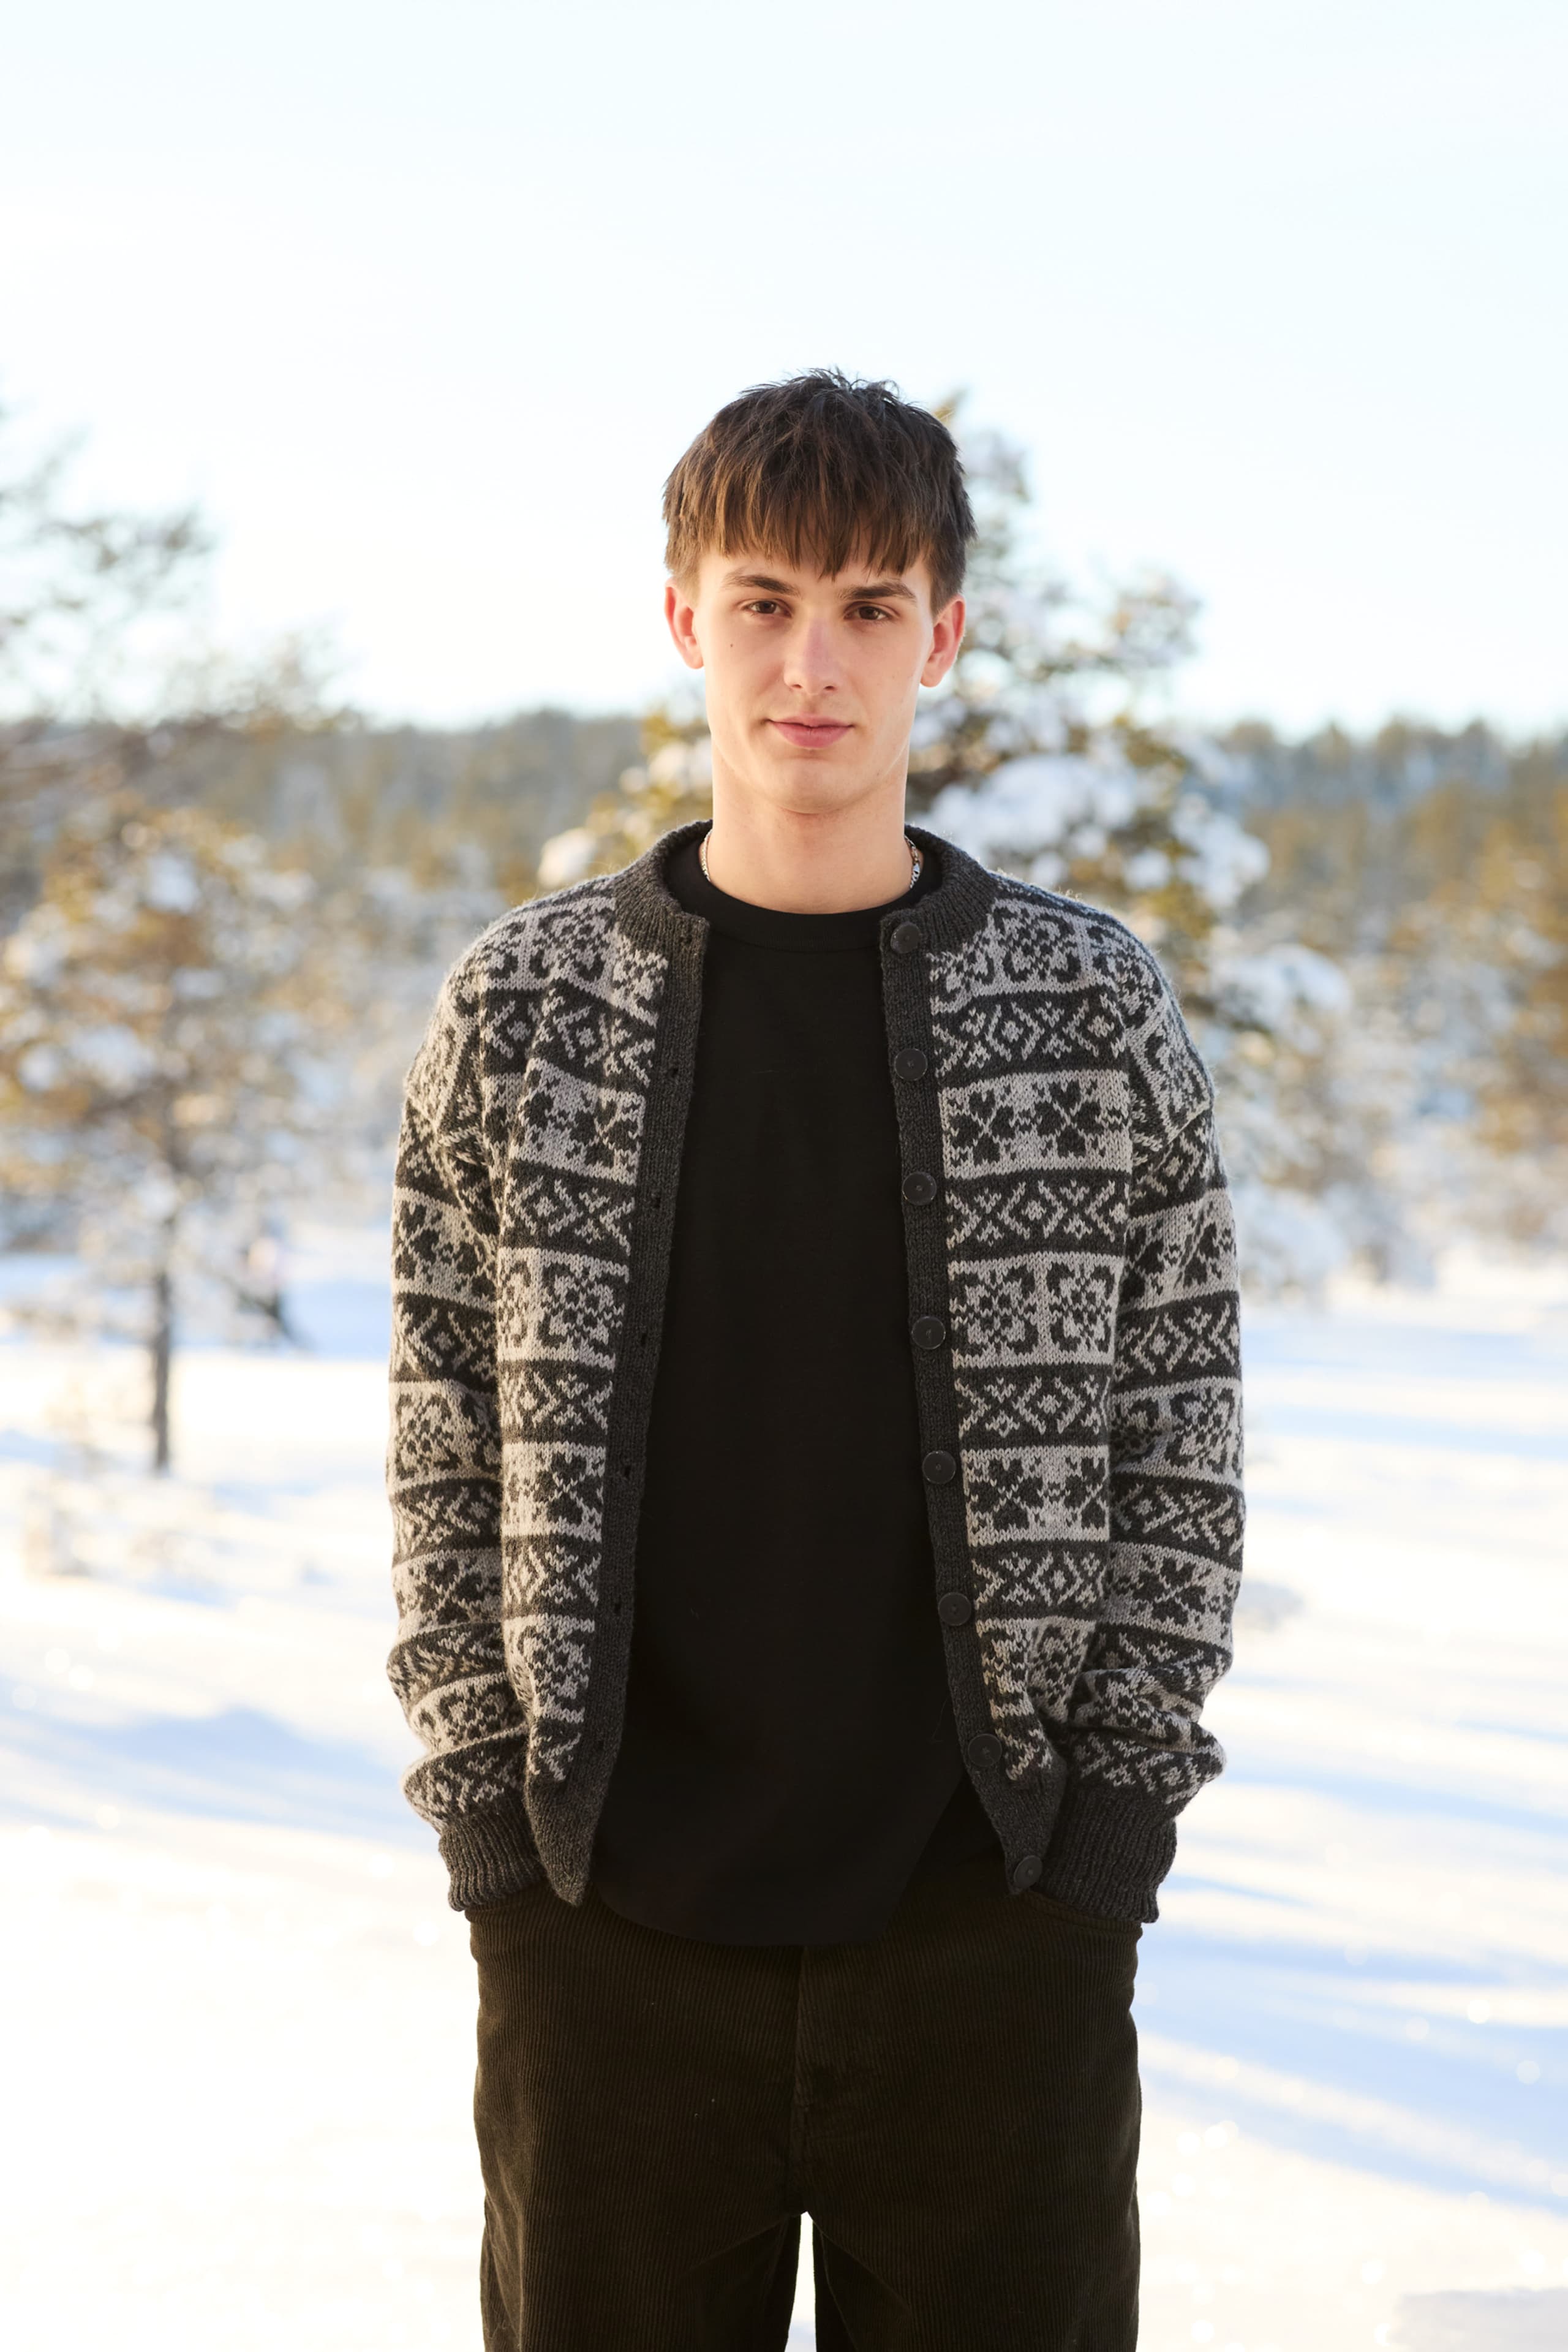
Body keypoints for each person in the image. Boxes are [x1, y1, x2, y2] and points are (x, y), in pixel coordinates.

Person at [386, 369, 1244, 2351]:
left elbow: (1179, 1444)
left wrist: (1103, 1847)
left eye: (870, 607)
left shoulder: (1088, 1011)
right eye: (765, 601)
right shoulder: (526, 1014)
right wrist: (495, 1836)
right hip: (605, 1938)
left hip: (991, 1933)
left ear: (942, 635)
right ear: (683, 618)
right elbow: (444, 1444)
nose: (813, 664)